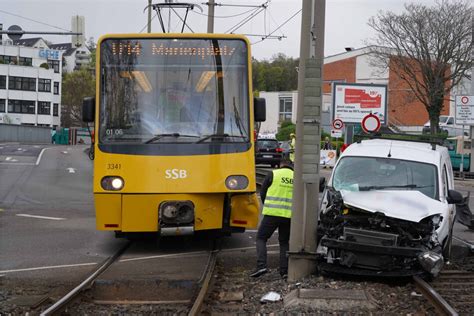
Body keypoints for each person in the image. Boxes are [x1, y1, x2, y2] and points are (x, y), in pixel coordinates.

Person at [250, 159, 294, 278]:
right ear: (291, 166)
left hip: (272, 214)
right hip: (289, 215)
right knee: (284, 241)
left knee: (261, 238)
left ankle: (262, 266)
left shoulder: (273, 174)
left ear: (281, 165)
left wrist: (269, 206)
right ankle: (284, 271)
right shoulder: (296, 177)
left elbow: (263, 193)